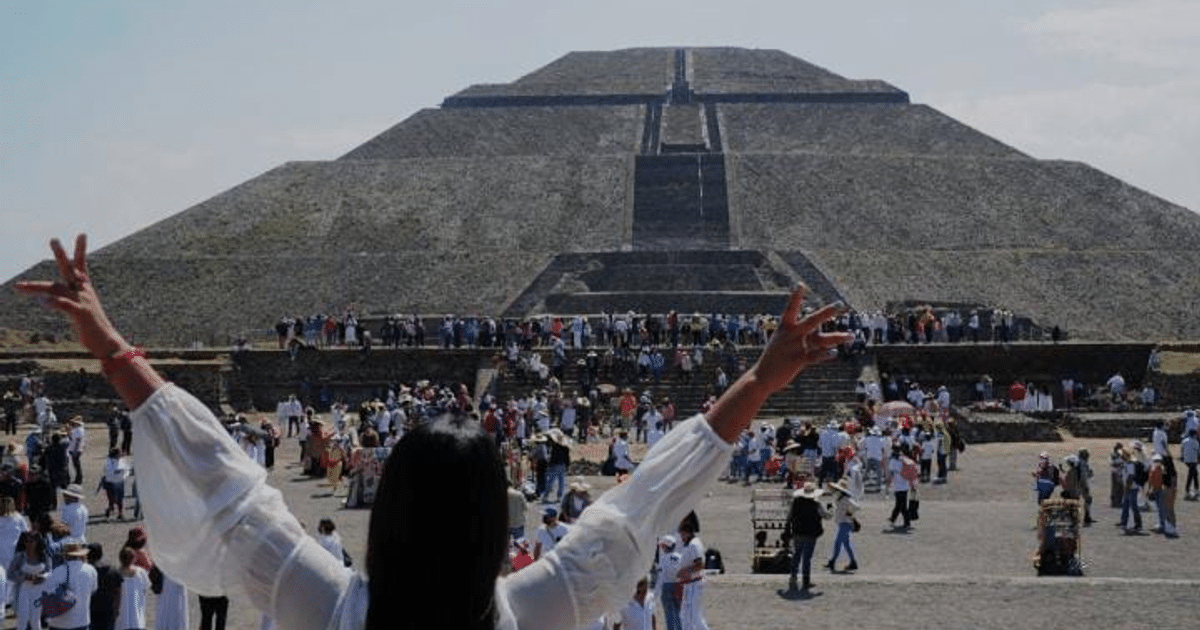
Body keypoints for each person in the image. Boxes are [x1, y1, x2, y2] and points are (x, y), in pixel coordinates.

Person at [16, 236, 850, 630]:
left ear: (392, 516)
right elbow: (649, 497)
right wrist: (764, 378)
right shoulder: (540, 604)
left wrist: (111, 346)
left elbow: (222, 481)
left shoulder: (327, 602)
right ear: (498, 523)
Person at [783, 481, 829, 592]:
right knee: (807, 558)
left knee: (796, 555)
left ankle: (793, 578)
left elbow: (789, 516)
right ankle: (806, 581)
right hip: (810, 534)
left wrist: (788, 530)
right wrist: (830, 509)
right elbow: (826, 516)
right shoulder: (816, 504)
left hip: (798, 532)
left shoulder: (795, 502)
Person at [43, 542, 99, 630]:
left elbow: (47, 592)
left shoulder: (57, 571)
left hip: (58, 623)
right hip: (81, 621)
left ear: (64, 556)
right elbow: (93, 590)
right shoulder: (91, 570)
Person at [825, 480, 859, 572]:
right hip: (844, 523)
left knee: (838, 543)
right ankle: (852, 562)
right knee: (845, 544)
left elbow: (856, 507)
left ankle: (832, 561)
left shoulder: (845, 499)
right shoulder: (842, 498)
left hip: (845, 523)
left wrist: (850, 513)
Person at [115, 547, 150, 630]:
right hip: (137, 619)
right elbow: (145, 589)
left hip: (122, 620)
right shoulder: (141, 573)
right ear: (133, 559)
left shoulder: (116, 574)